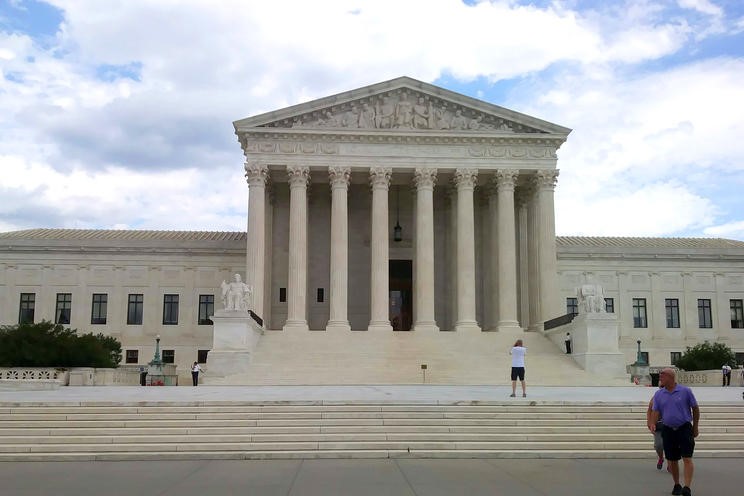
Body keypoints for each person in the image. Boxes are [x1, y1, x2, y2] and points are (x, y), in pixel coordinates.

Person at [648, 368, 700, 496]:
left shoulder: (685, 391)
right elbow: (655, 410)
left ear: (670, 377)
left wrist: (695, 426)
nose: (660, 378)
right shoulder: (659, 394)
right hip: (668, 429)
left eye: (662, 375)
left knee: (687, 457)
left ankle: (687, 487)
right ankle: (677, 484)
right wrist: (652, 423)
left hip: (684, 427)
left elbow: (695, 408)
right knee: (672, 459)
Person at [646, 396, 667, 471]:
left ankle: (671, 463)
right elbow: (649, 410)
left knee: (671, 445)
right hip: (658, 425)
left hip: (670, 425)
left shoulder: (674, 396)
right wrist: (649, 422)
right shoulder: (656, 397)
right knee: (658, 445)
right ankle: (661, 458)